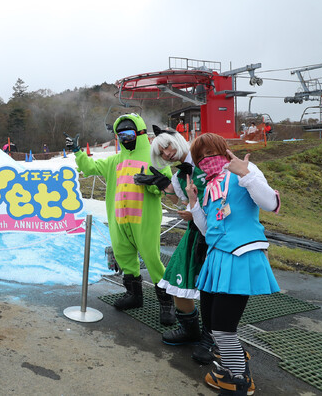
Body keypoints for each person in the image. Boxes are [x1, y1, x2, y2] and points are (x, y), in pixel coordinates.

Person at [187, 133, 280, 395]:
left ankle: (238, 380)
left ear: (224, 149)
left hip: (239, 257)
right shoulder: (210, 185)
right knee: (213, 324)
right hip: (216, 259)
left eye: (210, 152)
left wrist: (246, 173)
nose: (206, 159)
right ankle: (231, 365)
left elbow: (271, 203)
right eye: (200, 157)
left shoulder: (245, 170)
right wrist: (194, 202)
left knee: (223, 328)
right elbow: (209, 230)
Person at [65, 113, 176, 325]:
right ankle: (134, 295)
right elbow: (89, 167)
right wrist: (77, 151)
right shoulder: (115, 161)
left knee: (152, 259)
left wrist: (155, 183)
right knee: (124, 255)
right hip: (119, 219)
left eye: (129, 134)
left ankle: (167, 303)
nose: (125, 139)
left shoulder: (155, 159)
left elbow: (167, 189)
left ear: (140, 134)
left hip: (144, 220)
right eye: (121, 135)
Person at [146, 125, 214, 363]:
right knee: (177, 278)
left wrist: (193, 211)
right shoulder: (179, 175)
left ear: (177, 140)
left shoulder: (206, 159)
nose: (167, 153)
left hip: (220, 233)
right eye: (161, 152)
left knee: (214, 289)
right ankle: (190, 329)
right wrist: (162, 184)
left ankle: (212, 338)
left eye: (167, 146)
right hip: (196, 232)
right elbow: (180, 200)